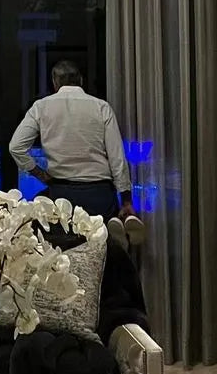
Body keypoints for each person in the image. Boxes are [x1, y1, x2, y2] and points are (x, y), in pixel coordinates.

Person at [9, 60, 144, 245]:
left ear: (54, 82)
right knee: (103, 249)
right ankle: (118, 229)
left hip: (61, 196)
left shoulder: (41, 107)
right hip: (100, 194)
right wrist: (126, 200)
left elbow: (16, 147)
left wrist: (40, 173)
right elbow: (117, 158)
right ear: (81, 80)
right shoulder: (101, 107)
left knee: (63, 249)